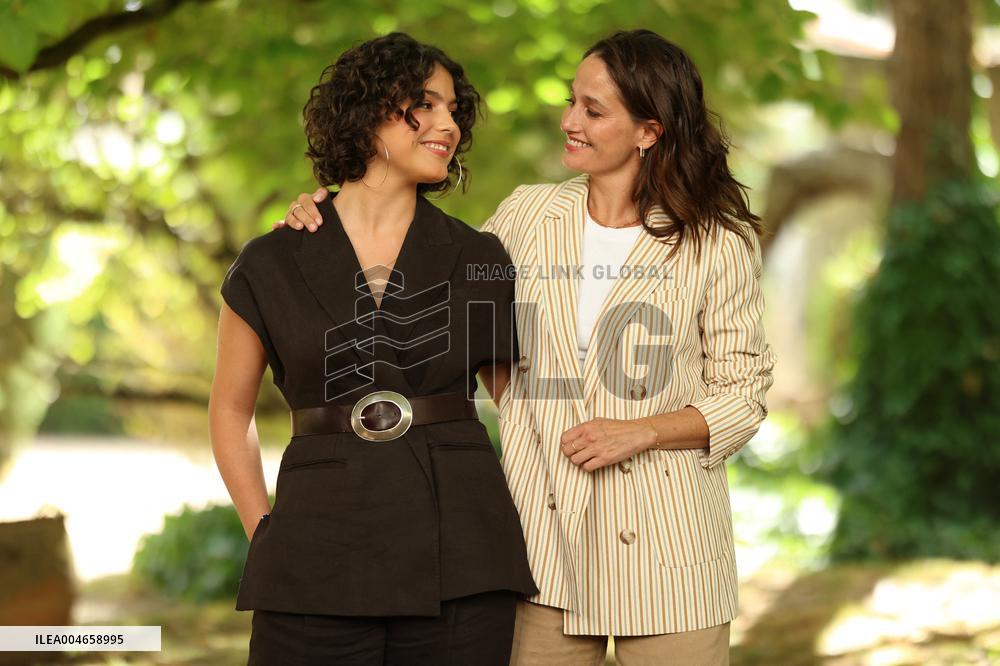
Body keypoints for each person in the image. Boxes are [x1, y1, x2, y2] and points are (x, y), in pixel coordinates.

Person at [279, 29, 775, 666]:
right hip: (543, 541)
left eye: (594, 112)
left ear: (649, 131)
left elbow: (744, 394)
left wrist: (642, 431)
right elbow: (434, 281)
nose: (570, 121)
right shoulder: (526, 216)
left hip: (670, 546)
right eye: (572, 102)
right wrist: (323, 216)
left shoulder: (717, 243)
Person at [209, 32, 537, 666]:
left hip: (463, 558)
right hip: (312, 555)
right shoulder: (270, 262)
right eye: (428, 104)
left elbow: (520, 407)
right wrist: (266, 534)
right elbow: (229, 412)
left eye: (454, 111)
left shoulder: (480, 257)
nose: (449, 125)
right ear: (366, 111)